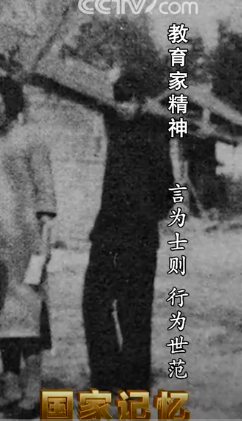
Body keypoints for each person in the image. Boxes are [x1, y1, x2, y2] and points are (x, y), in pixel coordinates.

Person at [83, 71, 174, 394]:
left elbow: (167, 192)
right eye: (119, 100)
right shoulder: (114, 128)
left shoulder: (154, 136)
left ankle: (134, 383)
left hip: (138, 238)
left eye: (129, 101)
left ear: (141, 102)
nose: (122, 106)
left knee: (134, 311)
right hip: (106, 235)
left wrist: (145, 218)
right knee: (94, 303)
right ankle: (106, 377)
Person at [0, 77, 57, 418]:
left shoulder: (31, 138)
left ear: (11, 104)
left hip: (27, 244)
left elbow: (45, 191)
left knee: (29, 319)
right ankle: (9, 388)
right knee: (0, 321)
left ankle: (32, 392)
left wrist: (45, 242)